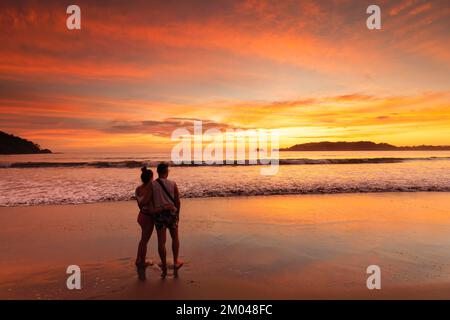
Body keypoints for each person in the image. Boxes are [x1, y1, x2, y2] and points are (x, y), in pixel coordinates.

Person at [135, 166, 175, 280]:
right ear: (151, 177)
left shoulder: (138, 189)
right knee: (144, 240)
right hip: (148, 217)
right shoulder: (151, 189)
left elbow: (140, 204)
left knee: (143, 239)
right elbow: (152, 209)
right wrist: (166, 206)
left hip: (141, 215)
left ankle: (138, 259)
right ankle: (141, 262)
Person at [153, 162, 182, 278]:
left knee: (161, 241)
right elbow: (178, 201)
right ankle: (175, 262)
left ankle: (164, 264)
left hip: (159, 214)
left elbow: (150, 200)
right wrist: (178, 214)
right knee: (175, 237)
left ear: (158, 172)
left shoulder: (152, 185)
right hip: (171, 213)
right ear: (166, 172)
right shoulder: (173, 184)